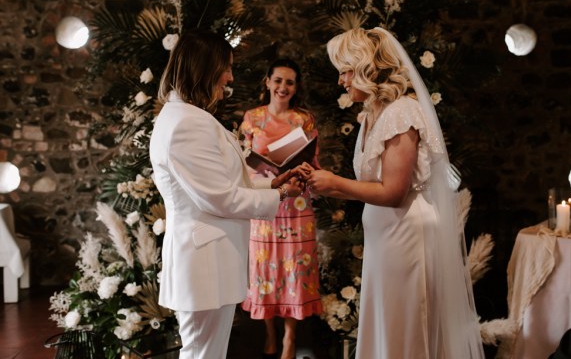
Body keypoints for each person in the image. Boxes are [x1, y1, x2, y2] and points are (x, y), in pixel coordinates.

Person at [302, 28, 484, 358]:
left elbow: (395, 191)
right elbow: (372, 187)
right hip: (385, 238)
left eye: (345, 71)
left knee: (406, 329)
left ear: (366, 67)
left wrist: (335, 183)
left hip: (406, 236)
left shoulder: (402, 112)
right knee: (389, 325)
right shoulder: (373, 114)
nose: (341, 81)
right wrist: (323, 183)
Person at [149, 30, 304, 359]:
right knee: (203, 354)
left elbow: (220, 183)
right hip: (204, 258)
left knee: (206, 352)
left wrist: (273, 184)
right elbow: (219, 198)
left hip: (206, 257)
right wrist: (278, 198)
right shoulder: (186, 124)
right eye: (227, 67)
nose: (230, 77)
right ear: (204, 68)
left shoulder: (184, 117)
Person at [240, 59, 322, 359]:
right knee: (265, 271)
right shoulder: (252, 118)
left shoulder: (305, 120)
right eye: (278, 80)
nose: (283, 87)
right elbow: (241, 163)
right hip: (263, 205)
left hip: (297, 206)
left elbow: (314, 162)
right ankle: (269, 334)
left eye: (289, 82)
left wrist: (300, 172)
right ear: (267, 82)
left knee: (294, 270)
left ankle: (289, 338)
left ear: (296, 87)